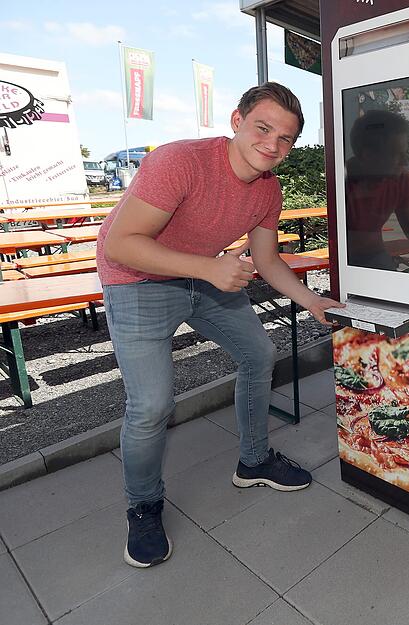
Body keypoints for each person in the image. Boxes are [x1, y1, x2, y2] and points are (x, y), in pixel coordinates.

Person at [97, 82, 343, 569]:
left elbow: (267, 260)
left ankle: (254, 461)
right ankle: (143, 507)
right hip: (136, 279)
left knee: (259, 354)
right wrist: (209, 268)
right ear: (236, 121)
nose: (272, 145)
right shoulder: (179, 161)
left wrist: (312, 300)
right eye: (263, 128)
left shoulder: (268, 189)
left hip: (202, 275)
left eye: (285, 138)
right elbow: (120, 244)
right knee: (151, 405)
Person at [344, 109, 409, 271]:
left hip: (376, 255)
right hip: (344, 259)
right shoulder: (342, 183)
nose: (404, 161)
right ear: (369, 155)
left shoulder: (401, 180)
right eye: (396, 154)